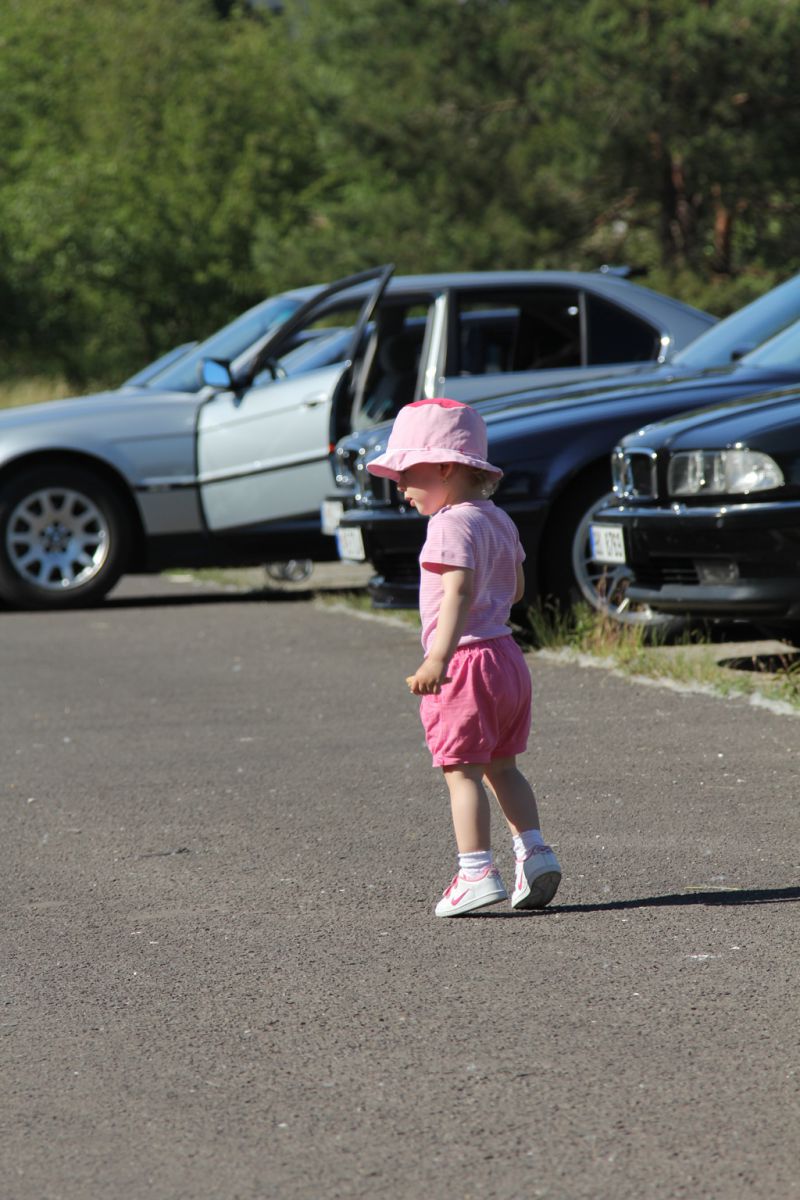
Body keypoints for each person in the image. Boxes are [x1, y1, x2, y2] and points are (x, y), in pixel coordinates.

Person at [367, 398, 561, 917]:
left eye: (408, 473)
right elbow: (515, 588)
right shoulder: (498, 520)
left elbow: (455, 594)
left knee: (462, 773)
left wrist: (437, 658)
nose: (401, 488)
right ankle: (536, 854)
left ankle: (475, 872)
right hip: (506, 657)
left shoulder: (449, 524)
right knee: (504, 766)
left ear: (446, 468)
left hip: (467, 663)